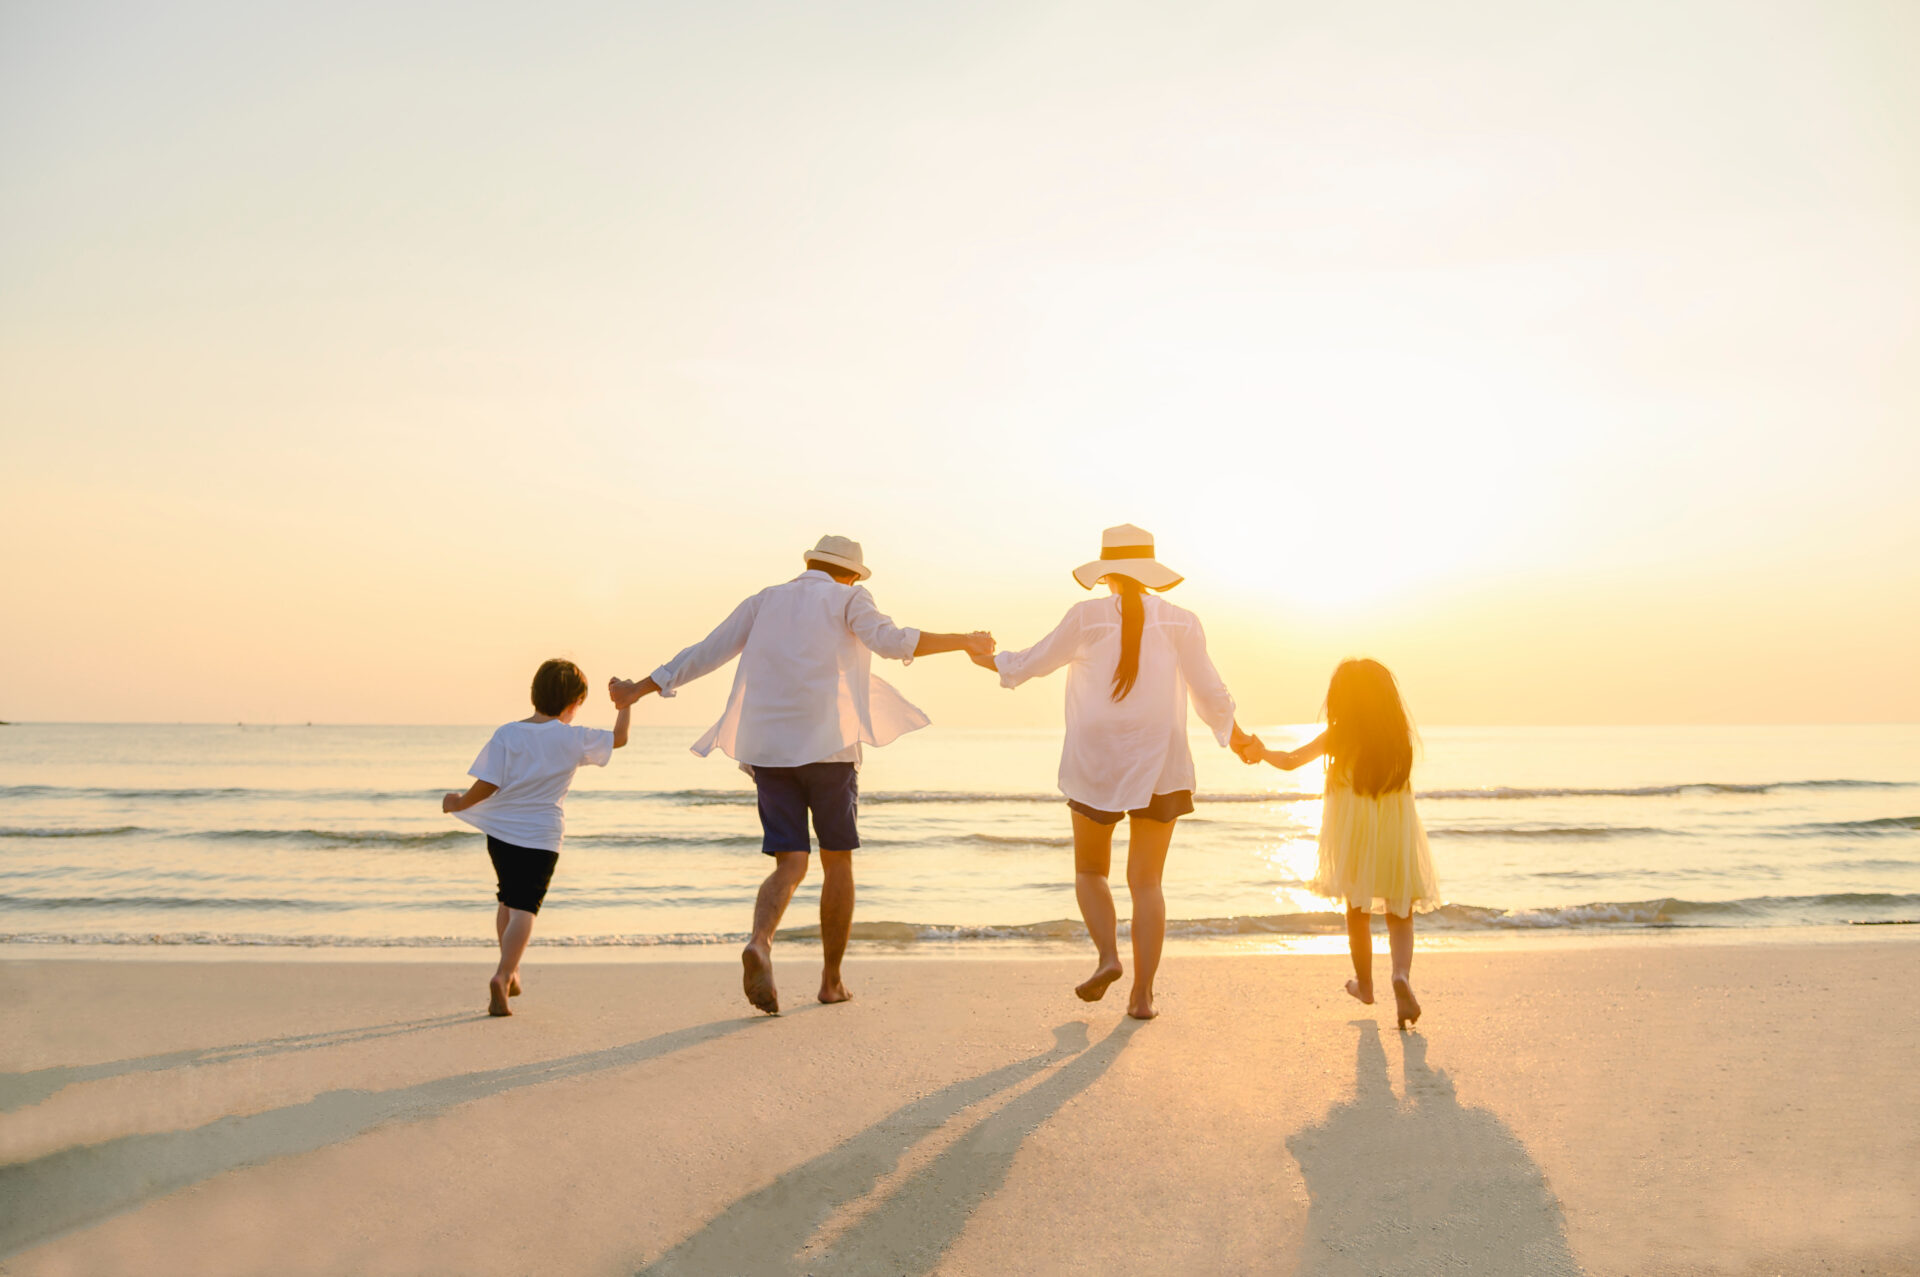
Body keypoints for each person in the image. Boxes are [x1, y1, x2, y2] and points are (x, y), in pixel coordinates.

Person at [612, 535, 994, 1014]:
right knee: (837, 862)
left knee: (790, 863)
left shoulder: (765, 600)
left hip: (769, 749)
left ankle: (760, 941)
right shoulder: (851, 597)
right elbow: (892, 641)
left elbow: (705, 652)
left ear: (809, 563)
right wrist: (964, 641)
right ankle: (831, 982)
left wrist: (639, 689)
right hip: (829, 749)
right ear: (852, 573)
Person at [974, 524, 1251, 1020]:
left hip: (1096, 756)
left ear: (1106, 574)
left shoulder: (1086, 617)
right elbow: (1209, 691)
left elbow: (1030, 663)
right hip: (1160, 758)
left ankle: (1107, 957)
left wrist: (988, 659)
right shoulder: (1181, 621)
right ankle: (1143, 996)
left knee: (1089, 871)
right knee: (1146, 883)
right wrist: (1236, 736)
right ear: (1149, 571)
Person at [1238, 658, 1437, 1029]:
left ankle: (1364, 984)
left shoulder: (1339, 734)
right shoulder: (1399, 739)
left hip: (1354, 834)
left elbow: (1291, 761)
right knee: (1400, 911)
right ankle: (1401, 976)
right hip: (1396, 831)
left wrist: (1261, 751)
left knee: (1357, 910)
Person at [442, 658, 632, 1017]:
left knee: (507, 900)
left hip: (500, 833)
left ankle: (511, 973)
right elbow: (619, 739)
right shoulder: (572, 737)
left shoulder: (508, 733)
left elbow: (488, 783)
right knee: (526, 907)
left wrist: (459, 802)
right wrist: (625, 705)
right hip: (541, 835)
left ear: (535, 693)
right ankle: (502, 975)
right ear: (573, 702)